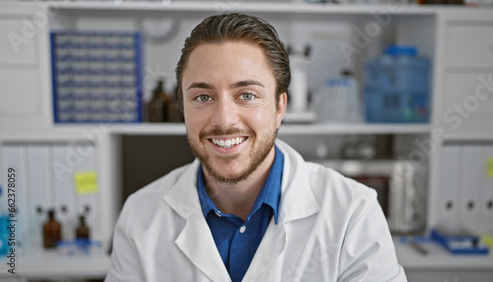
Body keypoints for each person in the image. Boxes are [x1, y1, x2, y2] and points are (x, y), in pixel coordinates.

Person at [105, 13, 406, 282]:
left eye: (246, 95)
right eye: (203, 97)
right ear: (183, 107)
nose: (224, 120)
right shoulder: (141, 215)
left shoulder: (353, 213)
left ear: (279, 108)